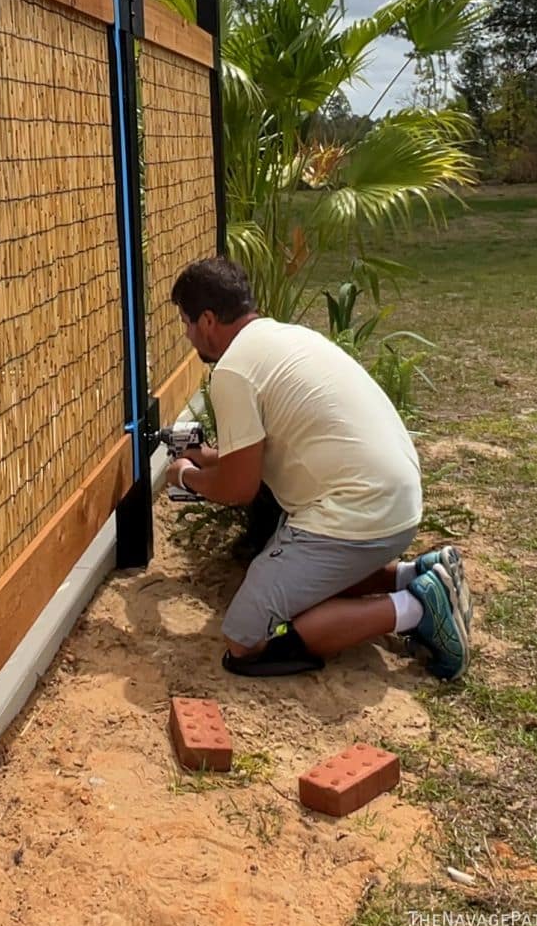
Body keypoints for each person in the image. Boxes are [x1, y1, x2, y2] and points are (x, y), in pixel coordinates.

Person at [165, 257, 472, 680]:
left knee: (244, 639)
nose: (186, 334)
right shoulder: (284, 337)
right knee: (304, 583)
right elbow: (267, 448)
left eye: (186, 323)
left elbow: (239, 487)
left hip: (357, 518)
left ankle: (417, 608)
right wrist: (212, 457)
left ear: (209, 319)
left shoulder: (232, 371)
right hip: (393, 504)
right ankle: (413, 575)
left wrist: (184, 475)